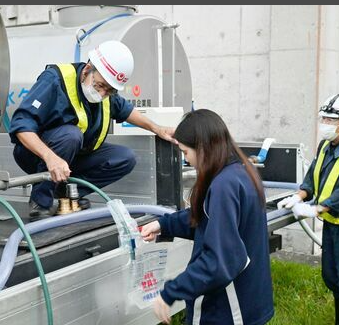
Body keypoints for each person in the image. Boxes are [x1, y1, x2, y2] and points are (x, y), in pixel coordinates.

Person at [9, 40, 175, 218]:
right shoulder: (55, 80)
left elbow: (125, 110)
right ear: (88, 69)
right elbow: (21, 124)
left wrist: (157, 128)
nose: (103, 94)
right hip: (37, 154)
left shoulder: (107, 94)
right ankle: (40, 202)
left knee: (125, 158)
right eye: (100, 86)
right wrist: (50, 158)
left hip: (74, 156)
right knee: (70, 135)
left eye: (110, 91)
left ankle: (68, 194)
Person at [141, 109, 274, 325]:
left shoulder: (223, 185)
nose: (186, 160)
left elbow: (220, 260)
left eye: (185, 152)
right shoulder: (241, 172)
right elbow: (207, 219)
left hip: (229, 309)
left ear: (202, 148)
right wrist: (163, 225)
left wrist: (170, 293)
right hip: (250, 299)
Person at [277, 94, 339, 325]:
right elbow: (312, 179)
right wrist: (298, 196)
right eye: (324, 118)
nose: (325, 124)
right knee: (332, 278)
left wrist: (316, 210)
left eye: (331, 120)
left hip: (335, 221)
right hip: (332, 226)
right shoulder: (325, 146)